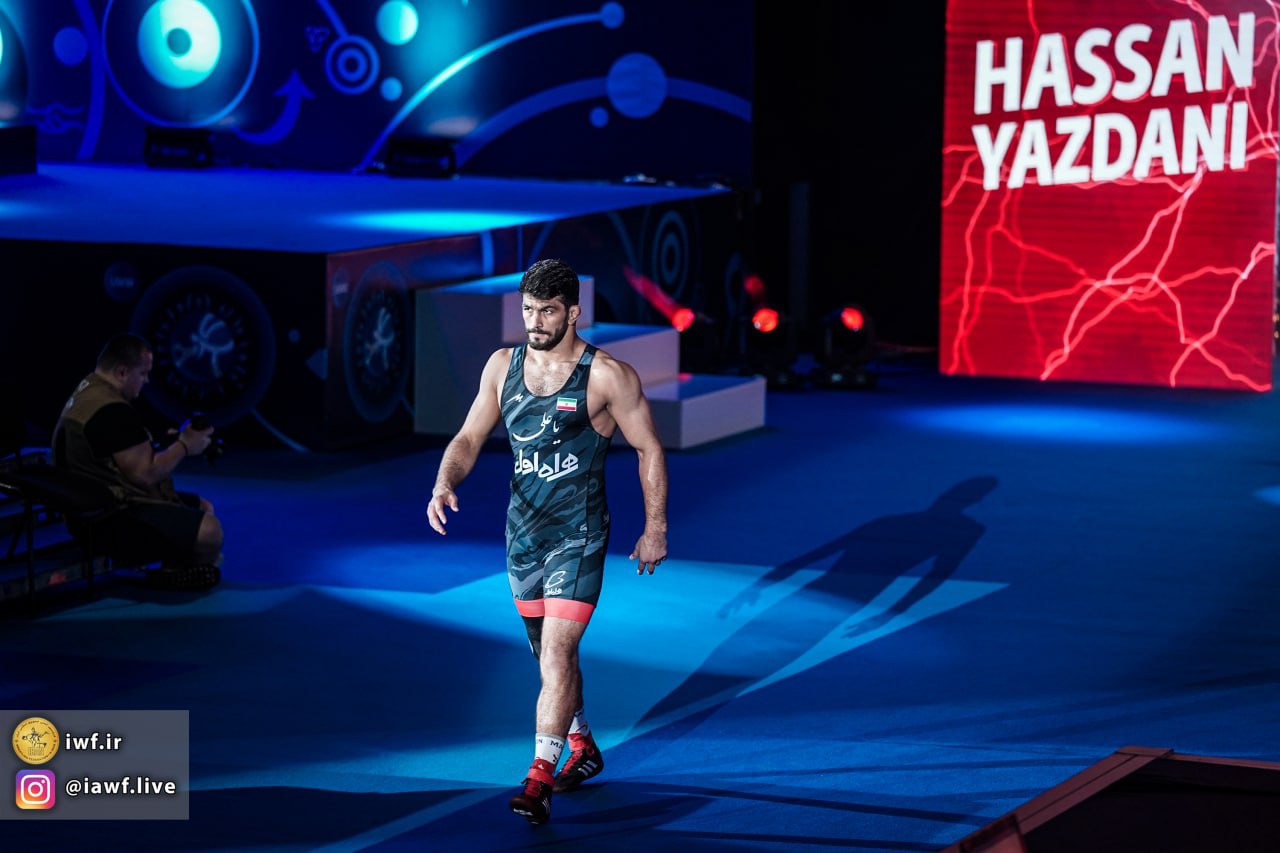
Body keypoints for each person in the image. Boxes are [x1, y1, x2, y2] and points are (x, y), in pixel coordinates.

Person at [426, 259, 668, 825]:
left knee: (558, 652)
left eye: (548, 311)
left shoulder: (607, 376)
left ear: (574, 312)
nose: (535, 322)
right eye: (528, 310)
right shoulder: (502, 366)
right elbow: (469, 436)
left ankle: (538, 779)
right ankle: (582, 744)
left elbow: (649, 448)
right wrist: (444, 482)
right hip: (523, 533)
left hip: (578, 535)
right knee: (546, 653)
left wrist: (654, 528)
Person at [52, 333, 224, 589]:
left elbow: (117, 448)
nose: (146, 381)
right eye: (143, 374)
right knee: (211, 532)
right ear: (122, 372)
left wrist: (169, 443)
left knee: (202, 505)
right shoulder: (111, 410)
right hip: (106, 519)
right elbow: (145, 474)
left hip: (91, 508)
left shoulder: (89, 390)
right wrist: (185, 446)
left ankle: (177, 562)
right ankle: (171, 572)